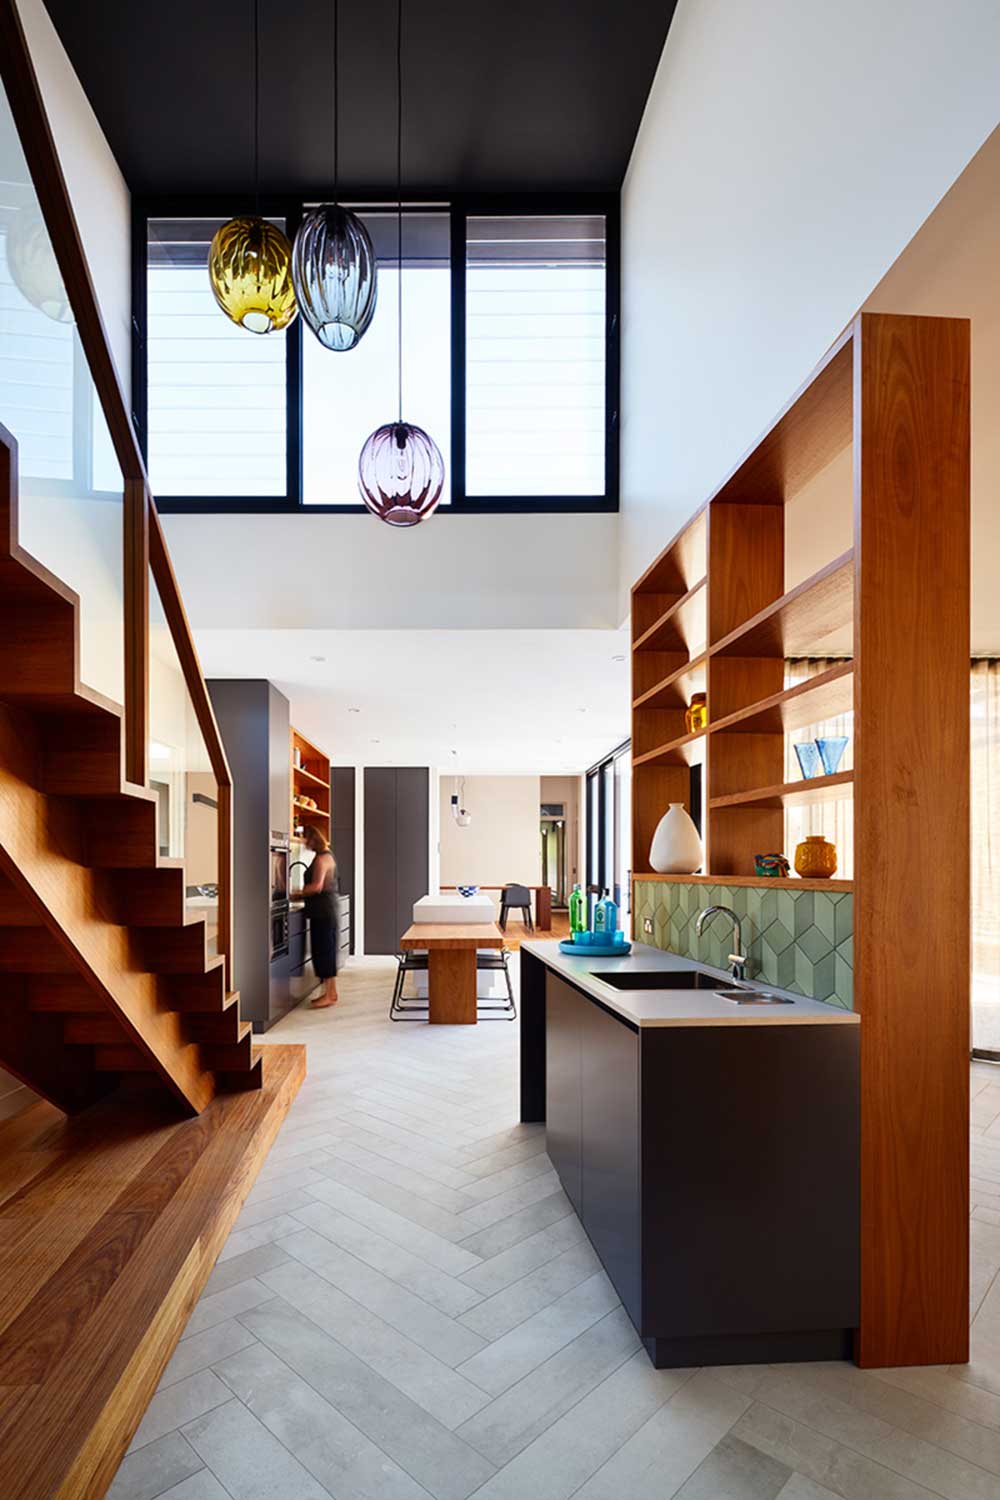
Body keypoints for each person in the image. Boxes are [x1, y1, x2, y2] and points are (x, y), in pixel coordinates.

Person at [299, 826, 339, 1009]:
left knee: (324, 952)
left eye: (306, 839)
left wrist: (296, 893)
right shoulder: (325, 855)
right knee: (324, 952)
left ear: (313, 839)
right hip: (324, 912)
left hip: (323, 912)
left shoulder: (322, 858)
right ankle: (329, 993)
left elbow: (316, 886)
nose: (304, 842)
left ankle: (330, 994)